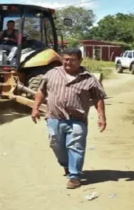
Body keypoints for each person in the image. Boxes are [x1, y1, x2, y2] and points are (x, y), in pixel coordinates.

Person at [31, 48, 107, 189]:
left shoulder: (89, 78)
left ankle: (75, 176)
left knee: (76, 146)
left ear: (80, 60)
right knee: (56, 145)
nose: (68, 62)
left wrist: (101, 117)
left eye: (72, 60)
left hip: (77, 119)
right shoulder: (52, 73)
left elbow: (98, 98)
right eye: (65, 59)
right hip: (54, 118)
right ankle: (66, 165)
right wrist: (35, 108)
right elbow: (41, 91)